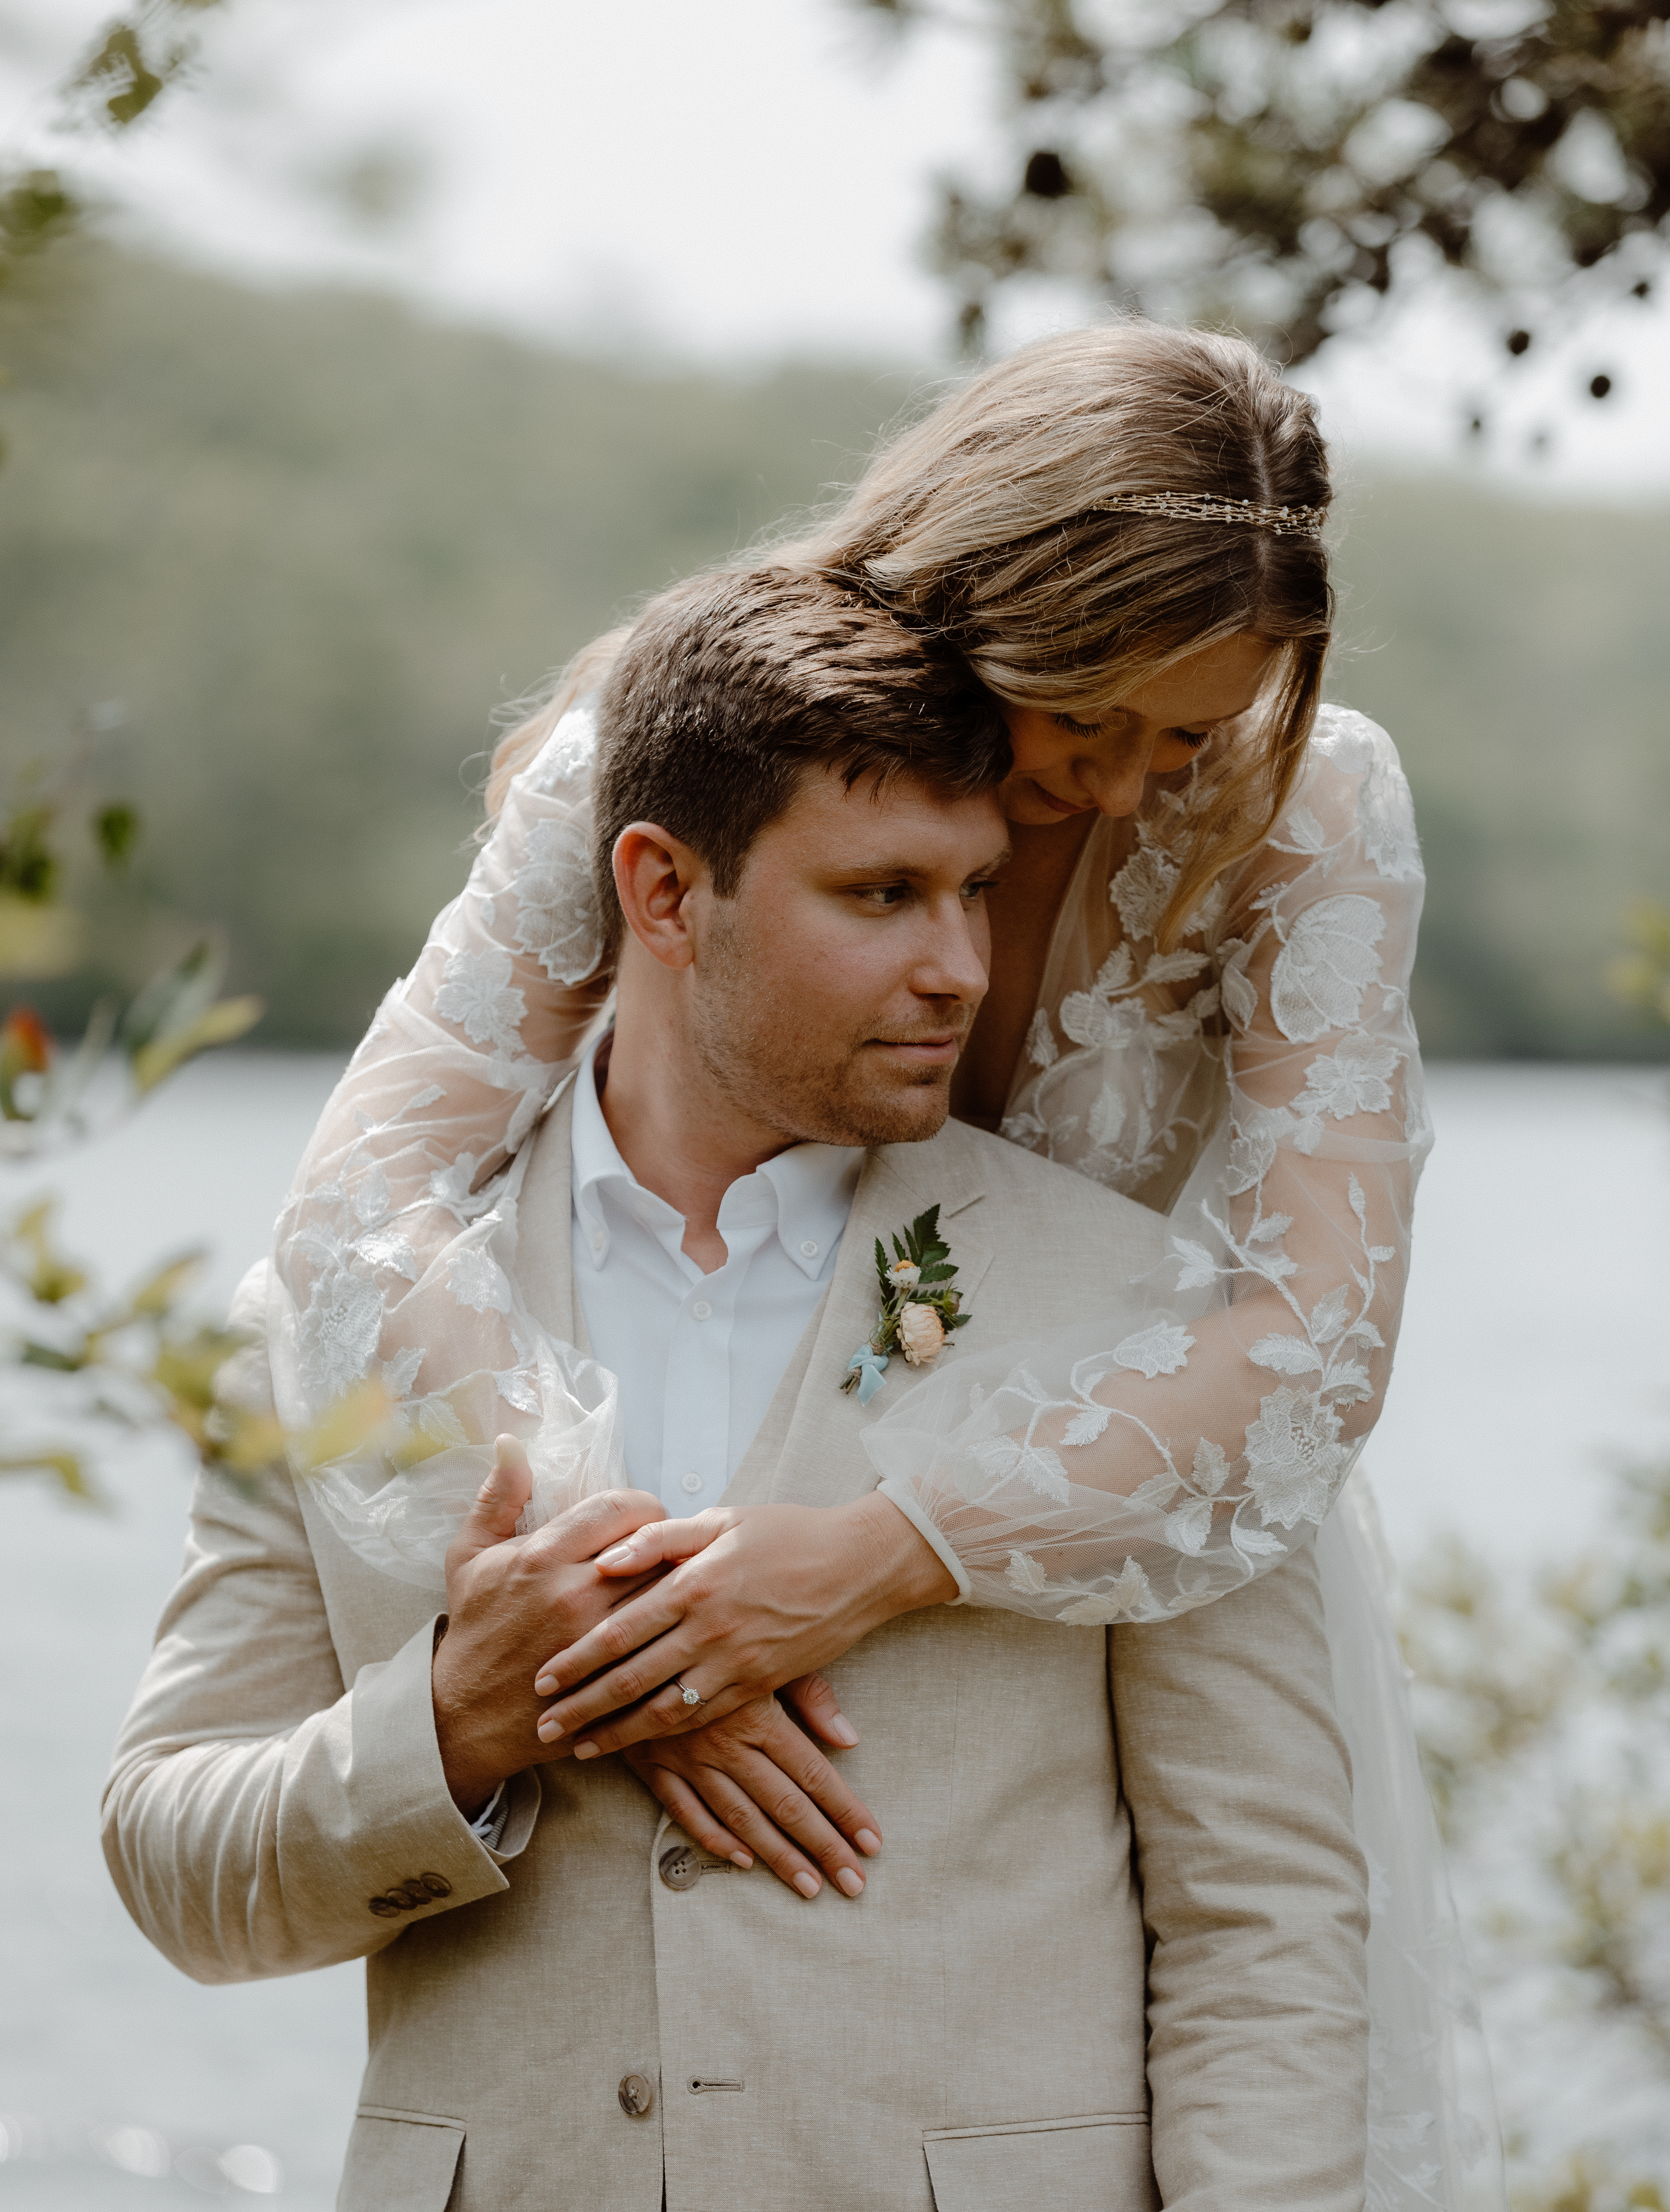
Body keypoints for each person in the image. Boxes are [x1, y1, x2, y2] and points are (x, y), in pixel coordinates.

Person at [201, 320, 1493, 2197]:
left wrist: (862, 1563)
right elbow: (354, 1214)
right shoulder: (688, 752)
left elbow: (1308, 1349)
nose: (1134, 787)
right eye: (1092, 715)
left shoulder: (1306, 812)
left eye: (1191, 732)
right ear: (983, 609)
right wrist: (651, 1627)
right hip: (697, 1389)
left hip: (1142, 1483)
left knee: (1261, 1945)